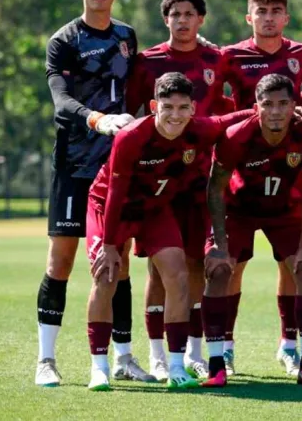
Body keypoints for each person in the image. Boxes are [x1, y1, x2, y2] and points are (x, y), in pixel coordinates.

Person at [36, 0, 148, 387]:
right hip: (74, 163)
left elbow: (135, 92)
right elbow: (61, 102)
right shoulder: (63, 41)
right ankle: (46, 359)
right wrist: (98, 120)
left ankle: (123, 357)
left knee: (117, 261)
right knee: (61, 260)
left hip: (117, 168)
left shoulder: (127, 35)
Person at [84, 72, 236, 390]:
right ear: (154, 106)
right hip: (111, 207)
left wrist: (279, 111)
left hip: (154, 209)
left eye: (183, 108)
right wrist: (111, 245)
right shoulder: (131, 138)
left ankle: (176, 366)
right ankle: (99, 366)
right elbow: (114, 194)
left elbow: (232, 118)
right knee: (107, 276)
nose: (175, 115)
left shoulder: (200, 129)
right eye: (168, 107)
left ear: (193, 108)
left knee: (178, 274)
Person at [126, 0, 236, 382]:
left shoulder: (217, 59)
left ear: (200, 20)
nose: (182, 20)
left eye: (189, 14)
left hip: (199, 178)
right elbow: (135, 113)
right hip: (156, 179)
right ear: (165, 19)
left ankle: (190, 350)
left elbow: (234, 104)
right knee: (159, 270)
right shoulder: (148, 61)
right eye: (175, 14)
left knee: (193, 264)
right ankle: (157, 354)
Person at [218, 0, 302, 375]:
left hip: (287, 176)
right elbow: (214, 94)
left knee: (292, 263)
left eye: (276, 10)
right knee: (232, 265)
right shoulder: (231, 55)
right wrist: (235, 119)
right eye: (260, 10)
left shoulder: (301, 54)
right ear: (249, 17)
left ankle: (289, 344)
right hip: (242, 175)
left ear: (286, 18)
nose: (268, 17)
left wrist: (300, 113)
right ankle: (225, 347)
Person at [202, 74, 302, 387]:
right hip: (238, 211)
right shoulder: (235, 136)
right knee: (219, 271)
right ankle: (217, 363)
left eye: (283, 103)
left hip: (285, 212)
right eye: (267, 103)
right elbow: (215, 189)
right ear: (255, 106)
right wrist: (219, 244)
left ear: (294, 105)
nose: (275, 111)